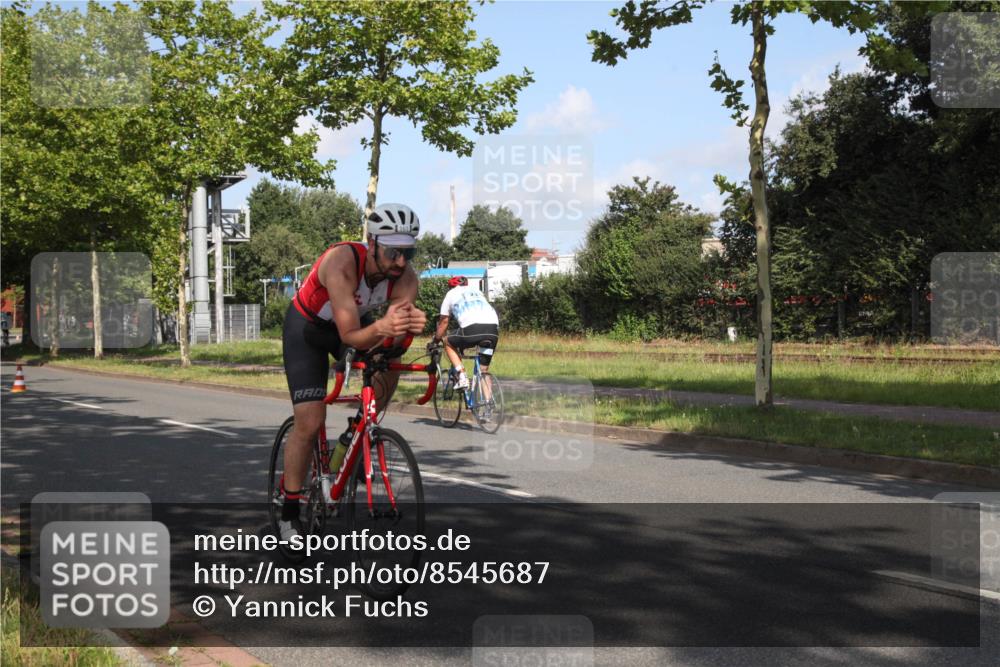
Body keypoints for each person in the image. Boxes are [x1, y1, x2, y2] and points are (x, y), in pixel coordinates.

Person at [279, 203, 427, 540]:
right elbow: (348, 336)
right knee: (310, 421)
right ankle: (289, 512)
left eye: (408, 253)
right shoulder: (342, 263)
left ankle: (358, 435)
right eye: (392, 252)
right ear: (372, 244)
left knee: (388, 363)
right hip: (308, 329)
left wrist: (406, 331)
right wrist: (385, 327)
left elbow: (391, 340)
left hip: (356, 326)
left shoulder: (406, 279)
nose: (400, 262)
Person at [431, 276, 499, 390]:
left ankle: (462, 376)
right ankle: (488, 401)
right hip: (493, 331)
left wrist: (435, 341)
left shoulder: (451, 293)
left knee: (447, 341)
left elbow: (444, 322)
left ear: (451, 287)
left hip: (473, 329)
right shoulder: (477, 292)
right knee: (483, 371)